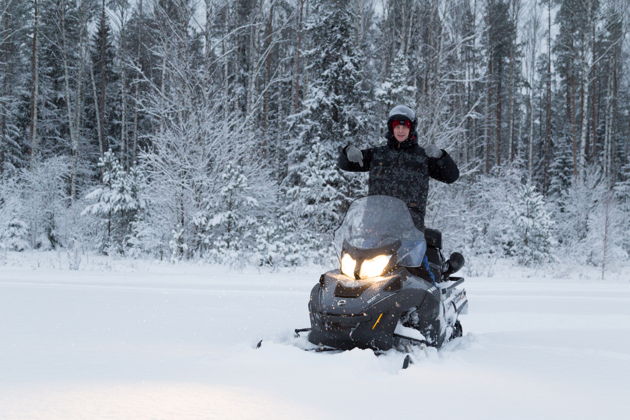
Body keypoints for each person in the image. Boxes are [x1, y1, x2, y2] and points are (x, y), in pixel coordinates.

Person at [337, 104, 459, 231]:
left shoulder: (423, 158)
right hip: (375, 227)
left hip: (410, 229)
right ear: (391, 128)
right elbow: (345, 165)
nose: (401, 131)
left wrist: (441, 157)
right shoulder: (377, 155)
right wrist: (348, 151)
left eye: (405, 127)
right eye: (397, 127)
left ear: (411, 129)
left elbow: (451, 176)